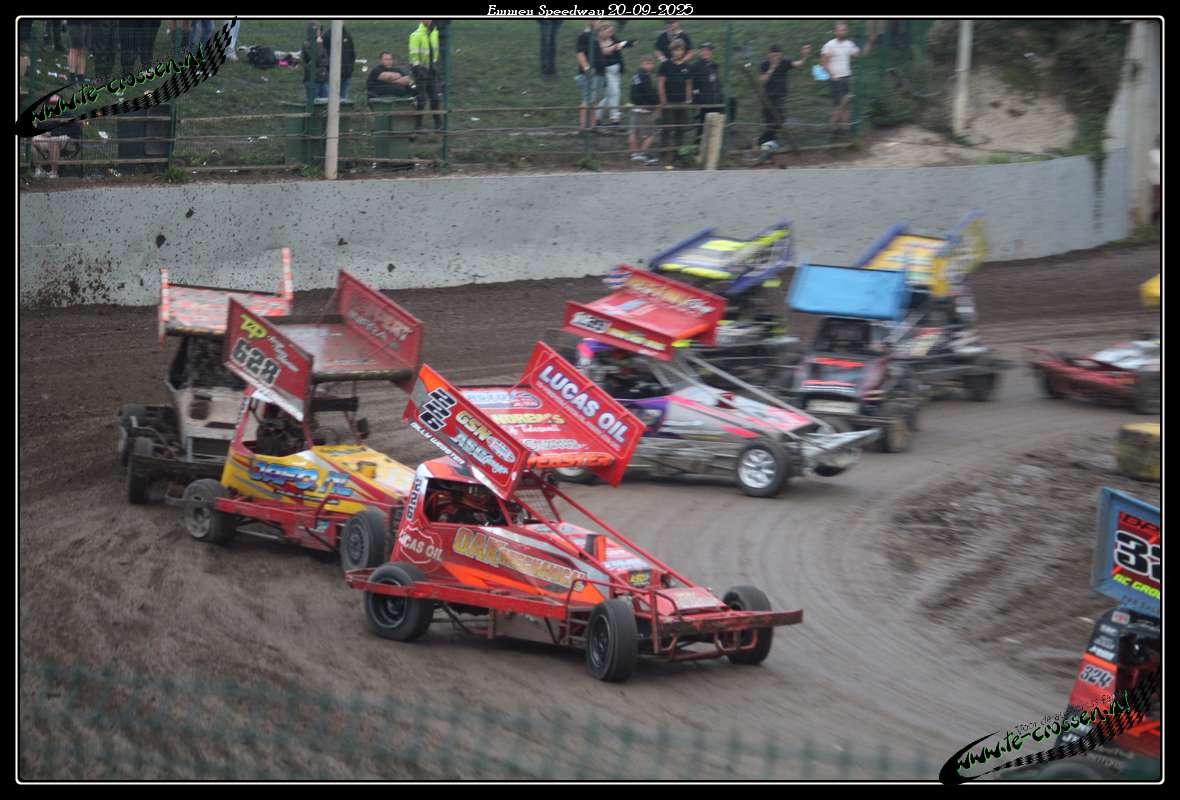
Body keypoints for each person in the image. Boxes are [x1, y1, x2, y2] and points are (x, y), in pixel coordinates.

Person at [820, 22, 872, 138]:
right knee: (840, 104)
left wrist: (870, 42)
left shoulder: (849, 44)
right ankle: (832, 127)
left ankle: (843, 129)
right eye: (839, 30)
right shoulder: (829, 45)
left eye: (843, 30)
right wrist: (832, 75)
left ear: (846, 31)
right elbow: (823, 63)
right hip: (835, 79)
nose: (841, 32)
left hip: (846, 77)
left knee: (845, 104)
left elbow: (861, 54)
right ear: (835, 32)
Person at [758, 43, 811, 147]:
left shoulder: (785, 62)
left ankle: (760, 141)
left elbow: (799, 64)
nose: (776, 58)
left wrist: (804, 55)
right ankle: (767, 144)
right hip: (767, 96)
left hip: (779, 95)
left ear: (781, 55)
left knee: (779, 119)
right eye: (773, 55)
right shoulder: (764, 64)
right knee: (769, 123)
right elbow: (762, 80)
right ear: (769, 55)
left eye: (778, 55)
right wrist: (772, 68)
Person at [657, 39, 693, 165]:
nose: (678, 52)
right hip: (669, 102)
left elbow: (688, 84)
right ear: (671, 51)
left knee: (681, 129)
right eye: (676, 50)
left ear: (684, 51)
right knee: (667, 129)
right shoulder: (665, 65)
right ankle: (663, 155)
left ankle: (679, 155)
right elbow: (660, 83)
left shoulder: (686, 66)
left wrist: (688, 99)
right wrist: (663, 100)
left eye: (680, 50)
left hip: (682, 103)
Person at [30, 98, 83, 179]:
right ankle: (39, 170)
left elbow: (75, 130)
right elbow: (46, 125)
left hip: (69, 142)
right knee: (34, 140)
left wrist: (52, 133)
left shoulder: (68, 114)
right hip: (52, 140)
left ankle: (54, 172)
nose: (53, 105)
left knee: (54, 140)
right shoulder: (51, 114)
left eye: (55, 103)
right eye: (51, 103)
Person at [409, 19, 442, 132]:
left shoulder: (434, 33)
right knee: (421, 99)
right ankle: (418, 126)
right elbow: (413, 55)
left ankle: (438, 125)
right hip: (421, 71)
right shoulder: (415, 35)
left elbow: (435, 52)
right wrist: (417, 69)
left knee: (435, 99)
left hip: (431, 70)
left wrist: (435, 66)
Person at [595, 22, 629, 126]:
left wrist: (629, 43)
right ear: (601, 31)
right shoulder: (596, 41)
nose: (611, 34)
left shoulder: (612, 38)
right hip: (606, 70)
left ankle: (596, 117)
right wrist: (613, 47)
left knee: (610, 96)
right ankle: (615, 119)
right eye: (609, 31)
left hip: (616, 69)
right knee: (615, 93)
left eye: (612, 32)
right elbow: (602, 52)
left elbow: (620, 45)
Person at [575, 20, 606, 133]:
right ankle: (583, 127)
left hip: (599, 74)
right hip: (589, 75)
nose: (600, 23)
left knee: (593, 101)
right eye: (598, 21)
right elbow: (580, 53)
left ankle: (593, 126)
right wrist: (587, 68)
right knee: (587, 100)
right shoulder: (584, 36)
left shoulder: (595, 37)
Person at [629, 53, 660, 164]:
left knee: (634, 132)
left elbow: (633, 91)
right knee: (651, 134)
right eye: (647, 64)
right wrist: (656, 101)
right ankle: (642, 154)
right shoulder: (645, 76)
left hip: (635, 107)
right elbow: (649, 93)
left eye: (650, 64)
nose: (649, 66)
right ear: (642, 64)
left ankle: (634, 155)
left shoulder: (636, 75)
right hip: (644, 108)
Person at [691, 42, 723, 143]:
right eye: (704, 50)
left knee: (714, 126)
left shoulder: (714, 66)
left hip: (715, 100)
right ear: (700, 52)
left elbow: (716, 83)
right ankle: (697, 145)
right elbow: (693, 84)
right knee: (703, 125)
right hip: (703, 100)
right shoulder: (696, 66)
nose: (706, 52)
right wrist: (696, 99)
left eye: (708, 50)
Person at [322, 24, 356, 100]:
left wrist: (350, 69)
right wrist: (328, 69)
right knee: (331, 99)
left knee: (343, 100)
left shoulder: (347, 35)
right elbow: (323, 55)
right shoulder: (327, 36)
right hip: (331, 75)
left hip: (346, 74)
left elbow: (352, 53)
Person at [301, 23, 329, 106]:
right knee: (314, 105)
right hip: (312, 80)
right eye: (318, 30)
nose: (320, 32)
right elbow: (316, 59)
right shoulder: (307, 44)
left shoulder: (321, 43)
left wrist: (322, 61)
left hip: (323, 79)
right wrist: (319, 45)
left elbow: (326, 60)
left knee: (325, 105)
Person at [67, 19, 92, 85]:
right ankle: (72, 77)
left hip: (88, 22)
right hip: (75, 22)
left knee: (83, 50)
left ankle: (80, 77)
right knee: (74, 49)